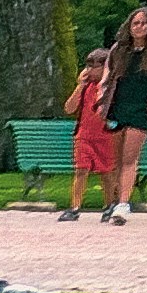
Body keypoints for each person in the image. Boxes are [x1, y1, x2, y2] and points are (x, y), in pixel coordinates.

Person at [98, 6, 147, 221]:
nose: (139, 27)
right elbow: (106, 79)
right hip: (118, 107)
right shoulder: (119, 50)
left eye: (144, 23)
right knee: (116, 160)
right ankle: (116, 201)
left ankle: (123, 204)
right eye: (135, 23)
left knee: (129, 158)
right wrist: (102, 103)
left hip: (141, 109)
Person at [65, 47, 119, 221]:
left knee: (107, 173)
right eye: (87, 66)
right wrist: (80, 85)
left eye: (93, 67)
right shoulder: (86, 87)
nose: (89, 71)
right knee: (81, 170)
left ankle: (109, 205)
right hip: (84, 135)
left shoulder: (111, 87)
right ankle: (74, 207)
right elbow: (69, 108)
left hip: (106, 136)